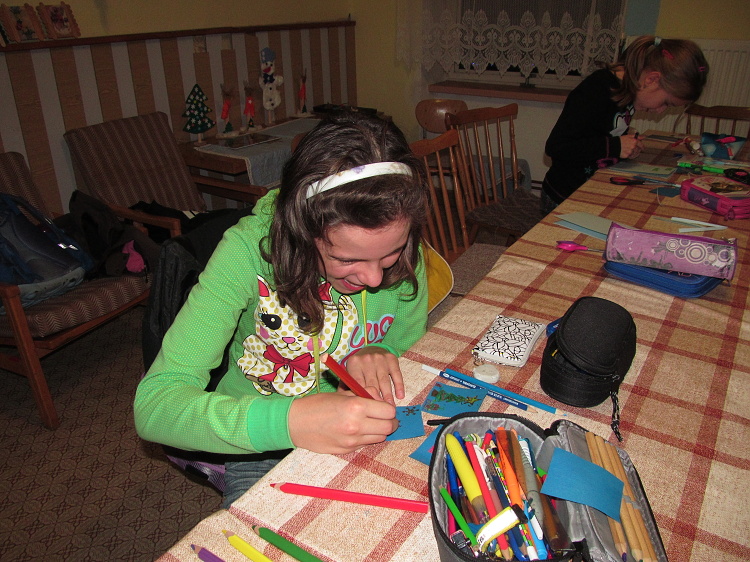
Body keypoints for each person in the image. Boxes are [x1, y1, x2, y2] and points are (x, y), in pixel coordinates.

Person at [134, 111, 430, 507]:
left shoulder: (395, 240)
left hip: (364, 419)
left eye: (390, 253)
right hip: (264, 442)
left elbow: (410, 348)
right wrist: (291, 423)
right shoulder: (244, 253)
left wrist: (383, 349)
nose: (375, 278)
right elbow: (155, 409)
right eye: (347, 259)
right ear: (301, 232)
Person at [541, 36, 709, 213]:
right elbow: (557, 147)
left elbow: (601, 132)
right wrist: (616, 146)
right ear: (652, 80)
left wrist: (626, 145)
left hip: (593, 189)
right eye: (666, 103)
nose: (661, 111)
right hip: (564, 197)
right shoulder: (596, 89)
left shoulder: (632, 90)